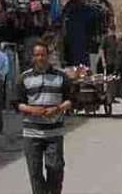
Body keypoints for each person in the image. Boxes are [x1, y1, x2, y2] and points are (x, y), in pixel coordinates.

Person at [15, 40, 73, 194]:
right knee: (35, 173)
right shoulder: (24, 78)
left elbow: (70, 100)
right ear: (33, 57)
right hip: (32, 134)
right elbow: (17, 104)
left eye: (43, 54)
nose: (40, 58)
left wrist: (58, 108)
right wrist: (33, 110)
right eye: (37, 55)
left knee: (55, 169)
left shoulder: (61, 77)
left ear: (48, 56)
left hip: (54, 133)